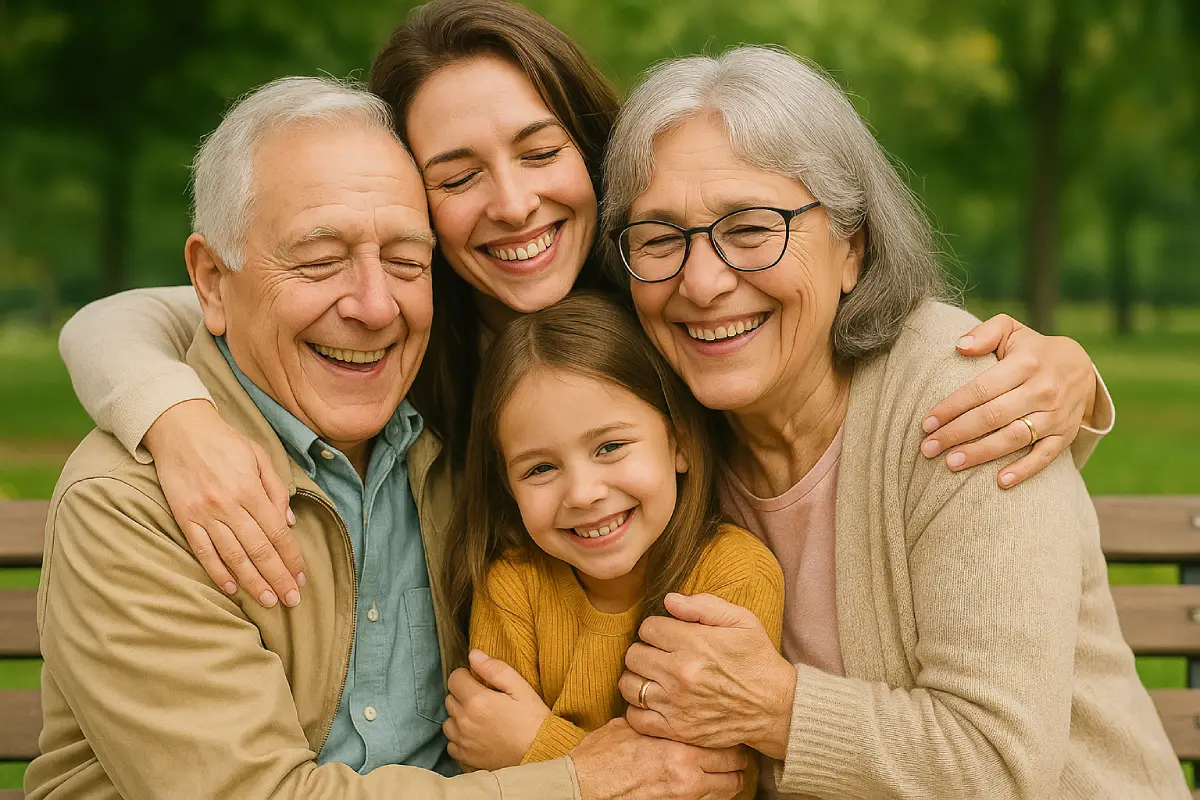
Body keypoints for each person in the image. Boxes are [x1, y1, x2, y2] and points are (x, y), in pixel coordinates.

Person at [56, 0, 1113, 615]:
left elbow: (854, 310)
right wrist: (173, 412)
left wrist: (1073, 371)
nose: (512, 203)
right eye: (456, 173)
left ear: (594, 152)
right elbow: (138, 313)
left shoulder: (669, 293)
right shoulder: (396, 337)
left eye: (539, 150)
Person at [26, 76, 746, 800]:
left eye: (406, 260)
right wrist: (579, 779)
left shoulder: (463, 430)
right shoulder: (130, 504)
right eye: (319, 260)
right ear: (213, 281)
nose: (374, 307)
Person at [577, 46, 1187, 798]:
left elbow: (994, 766)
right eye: (660, 238)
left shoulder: (967, 399)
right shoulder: (662, 436)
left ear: (852, 248)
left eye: (751, 227)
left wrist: (773, 708)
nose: (701, 282)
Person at [437, 293, 784, 800]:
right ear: (508, 488)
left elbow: (699, 786)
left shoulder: (733, 576)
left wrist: (537, 747)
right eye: (540, 468)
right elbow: (490, 775)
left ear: (680, 441)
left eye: (610, 447)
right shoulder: (512, 585)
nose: (582, 493)